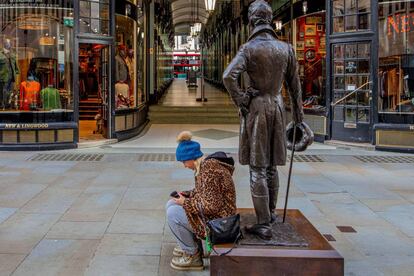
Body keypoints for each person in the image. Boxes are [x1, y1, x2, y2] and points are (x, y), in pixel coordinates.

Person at [223, 0, 311, 240]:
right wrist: (300, 119)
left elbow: (228, 76)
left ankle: (263, 223)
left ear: (252, 20)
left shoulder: (249, 48)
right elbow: (295, 88)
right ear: (270, 20)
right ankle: (270, 214)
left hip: (258, 109)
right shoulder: (286, 49)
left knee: (258, 167)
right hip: (278, 107)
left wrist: (241, 100)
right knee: (271, 167)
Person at [165, 131, 236, 271]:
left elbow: (212, 206)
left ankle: (193, 255)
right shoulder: (205, 166)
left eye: (184, 161)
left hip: (219, 224)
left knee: (173, 213)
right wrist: (186, 195)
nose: (184, 165)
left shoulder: (208, 171)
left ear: (192, 158)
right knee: (171, 204)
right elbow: (205, 194)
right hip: (218, 218)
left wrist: (185, 203)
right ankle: (190, 245)